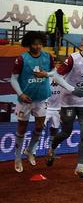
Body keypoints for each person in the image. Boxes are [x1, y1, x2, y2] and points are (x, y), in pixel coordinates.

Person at [47, 34, 83, 178]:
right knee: (66, 132)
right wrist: (72, 89)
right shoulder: (73, 59)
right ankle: (52, 148)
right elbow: (57, 76)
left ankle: (80, 167)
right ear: (82, 46)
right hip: (69, 102)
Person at [10, 31, 55, 172]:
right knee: (22, 128)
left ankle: (29, 150)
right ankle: (17, 158)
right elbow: (13, 79)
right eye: (35, 44)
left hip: (42, 99)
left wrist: (46, 74)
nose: (38, 46)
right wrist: (21, 93)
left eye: (40, 43)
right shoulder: (22, 59)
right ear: (29, 44)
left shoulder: (48, 57)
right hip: (25, 100)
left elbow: (55, 73)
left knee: (39, 127)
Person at [43, 64, 63, 153]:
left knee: (55, 130)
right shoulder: (47, 80)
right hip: (47, 108)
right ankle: (33, 151)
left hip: (58, 109)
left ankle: (51, 151)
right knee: (40, 127)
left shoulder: (64, 80)